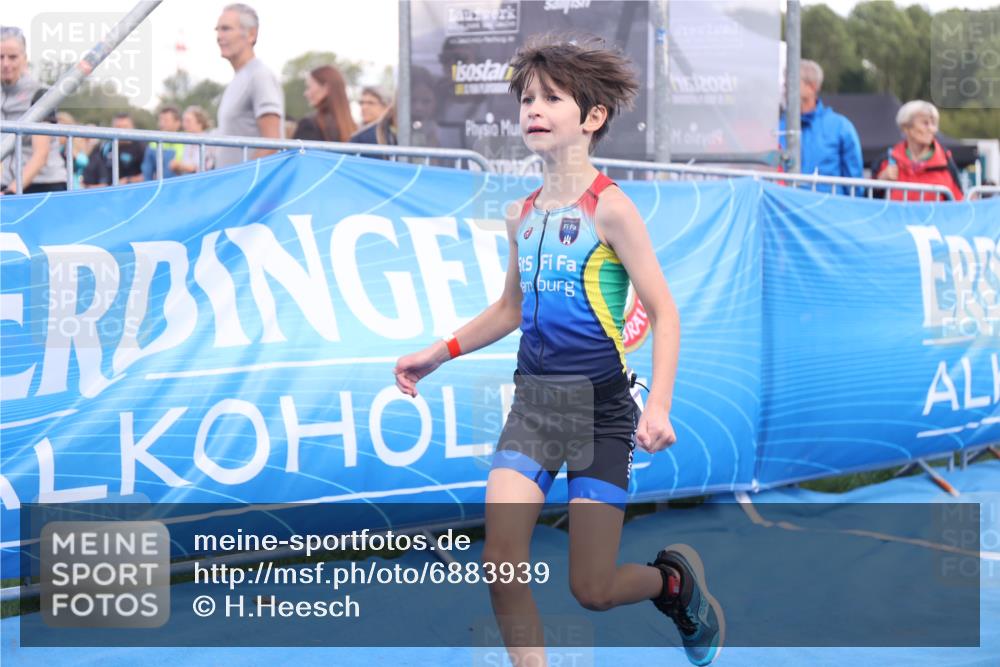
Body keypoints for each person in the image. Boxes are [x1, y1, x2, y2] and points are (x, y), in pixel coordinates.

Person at [392, 35, 724, 667]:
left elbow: (665, 311)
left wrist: (661, 408)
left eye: (550, 98)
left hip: (602, 414)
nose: (532, 109)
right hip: (537, 409)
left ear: (592, 118)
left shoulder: (614, 210)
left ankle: (672, 584)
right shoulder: (522, 213)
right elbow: (510, 311)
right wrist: (438, 353)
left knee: (592, 590)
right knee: (501, 562)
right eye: (525, 99)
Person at [213, 3, 283, 168]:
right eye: (217, 29)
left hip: (249, 190)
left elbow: (272, 143)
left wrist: (240, 180)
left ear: (251, 34)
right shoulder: (238, 79)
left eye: (226, 29)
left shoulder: (259, 75)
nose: (219, 36)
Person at [779, 59, 863, 195]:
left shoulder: (840, 127)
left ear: (812, 86)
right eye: (785, 82)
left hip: (826, 212)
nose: (785, 87)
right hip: (784, 211)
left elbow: (855, 182)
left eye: (792, 82)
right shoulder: (778, 127)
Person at [1, 26, 68, 194]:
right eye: (0, 57)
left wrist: (11, 192)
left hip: (45, 185)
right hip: (9, 183)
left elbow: (41, 154)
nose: (5, 63)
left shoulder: (41, 93)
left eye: (12, 57)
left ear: (25, 58)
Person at [874, 100, 963, 201]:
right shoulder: (887, 160)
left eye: (933, 123)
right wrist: (879, 182)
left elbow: (959, 204)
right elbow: (867, 203)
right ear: (906, 128)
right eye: (925, 123)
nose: (932, 129)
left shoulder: (945, 162)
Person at [293, 65, 357, 142]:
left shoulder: (309, 125)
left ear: (325, 88)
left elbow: (297, 153)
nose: (306, 93)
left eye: (309, 87)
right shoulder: (351, 126)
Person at [81, 112, 146, 187]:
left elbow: (150, 174)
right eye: (118, 127)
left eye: (125, 127)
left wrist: (127, 180)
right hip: (104, 193)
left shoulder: (141, 147)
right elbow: (89, 173)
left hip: (130, 192)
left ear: (132, 127)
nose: (121, 131)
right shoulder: (103, 146)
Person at [141, 105, 187, 180]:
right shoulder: (153, 144)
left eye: (166, 120)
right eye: (160, 120)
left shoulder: (187, 142)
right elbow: (147, 173)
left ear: (178, 123)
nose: (162, 124)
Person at [171, 105, 215, 174]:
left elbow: (205, 169)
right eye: (184, 121)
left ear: (200, 123)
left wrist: (180, 165)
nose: (184, 124)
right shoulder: (186, 142)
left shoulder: (209, 142)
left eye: (188, 121)